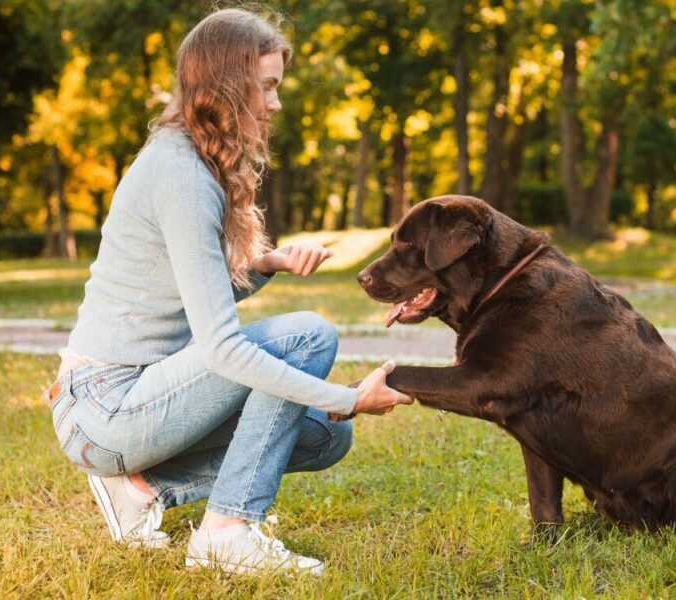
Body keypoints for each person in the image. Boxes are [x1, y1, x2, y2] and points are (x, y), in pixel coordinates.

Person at [43, 7, 412, 576]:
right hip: (106, 405)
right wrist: (348, 399)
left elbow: (181, 297)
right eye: (266, 87)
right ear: (227, 86)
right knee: (306, 337)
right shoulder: (183, 175)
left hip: (136, 400)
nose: (275, 103)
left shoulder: (192, 161)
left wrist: (264, 265)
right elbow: (221, 350)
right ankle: (227, 533)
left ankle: (142, 487)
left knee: (322, 440)